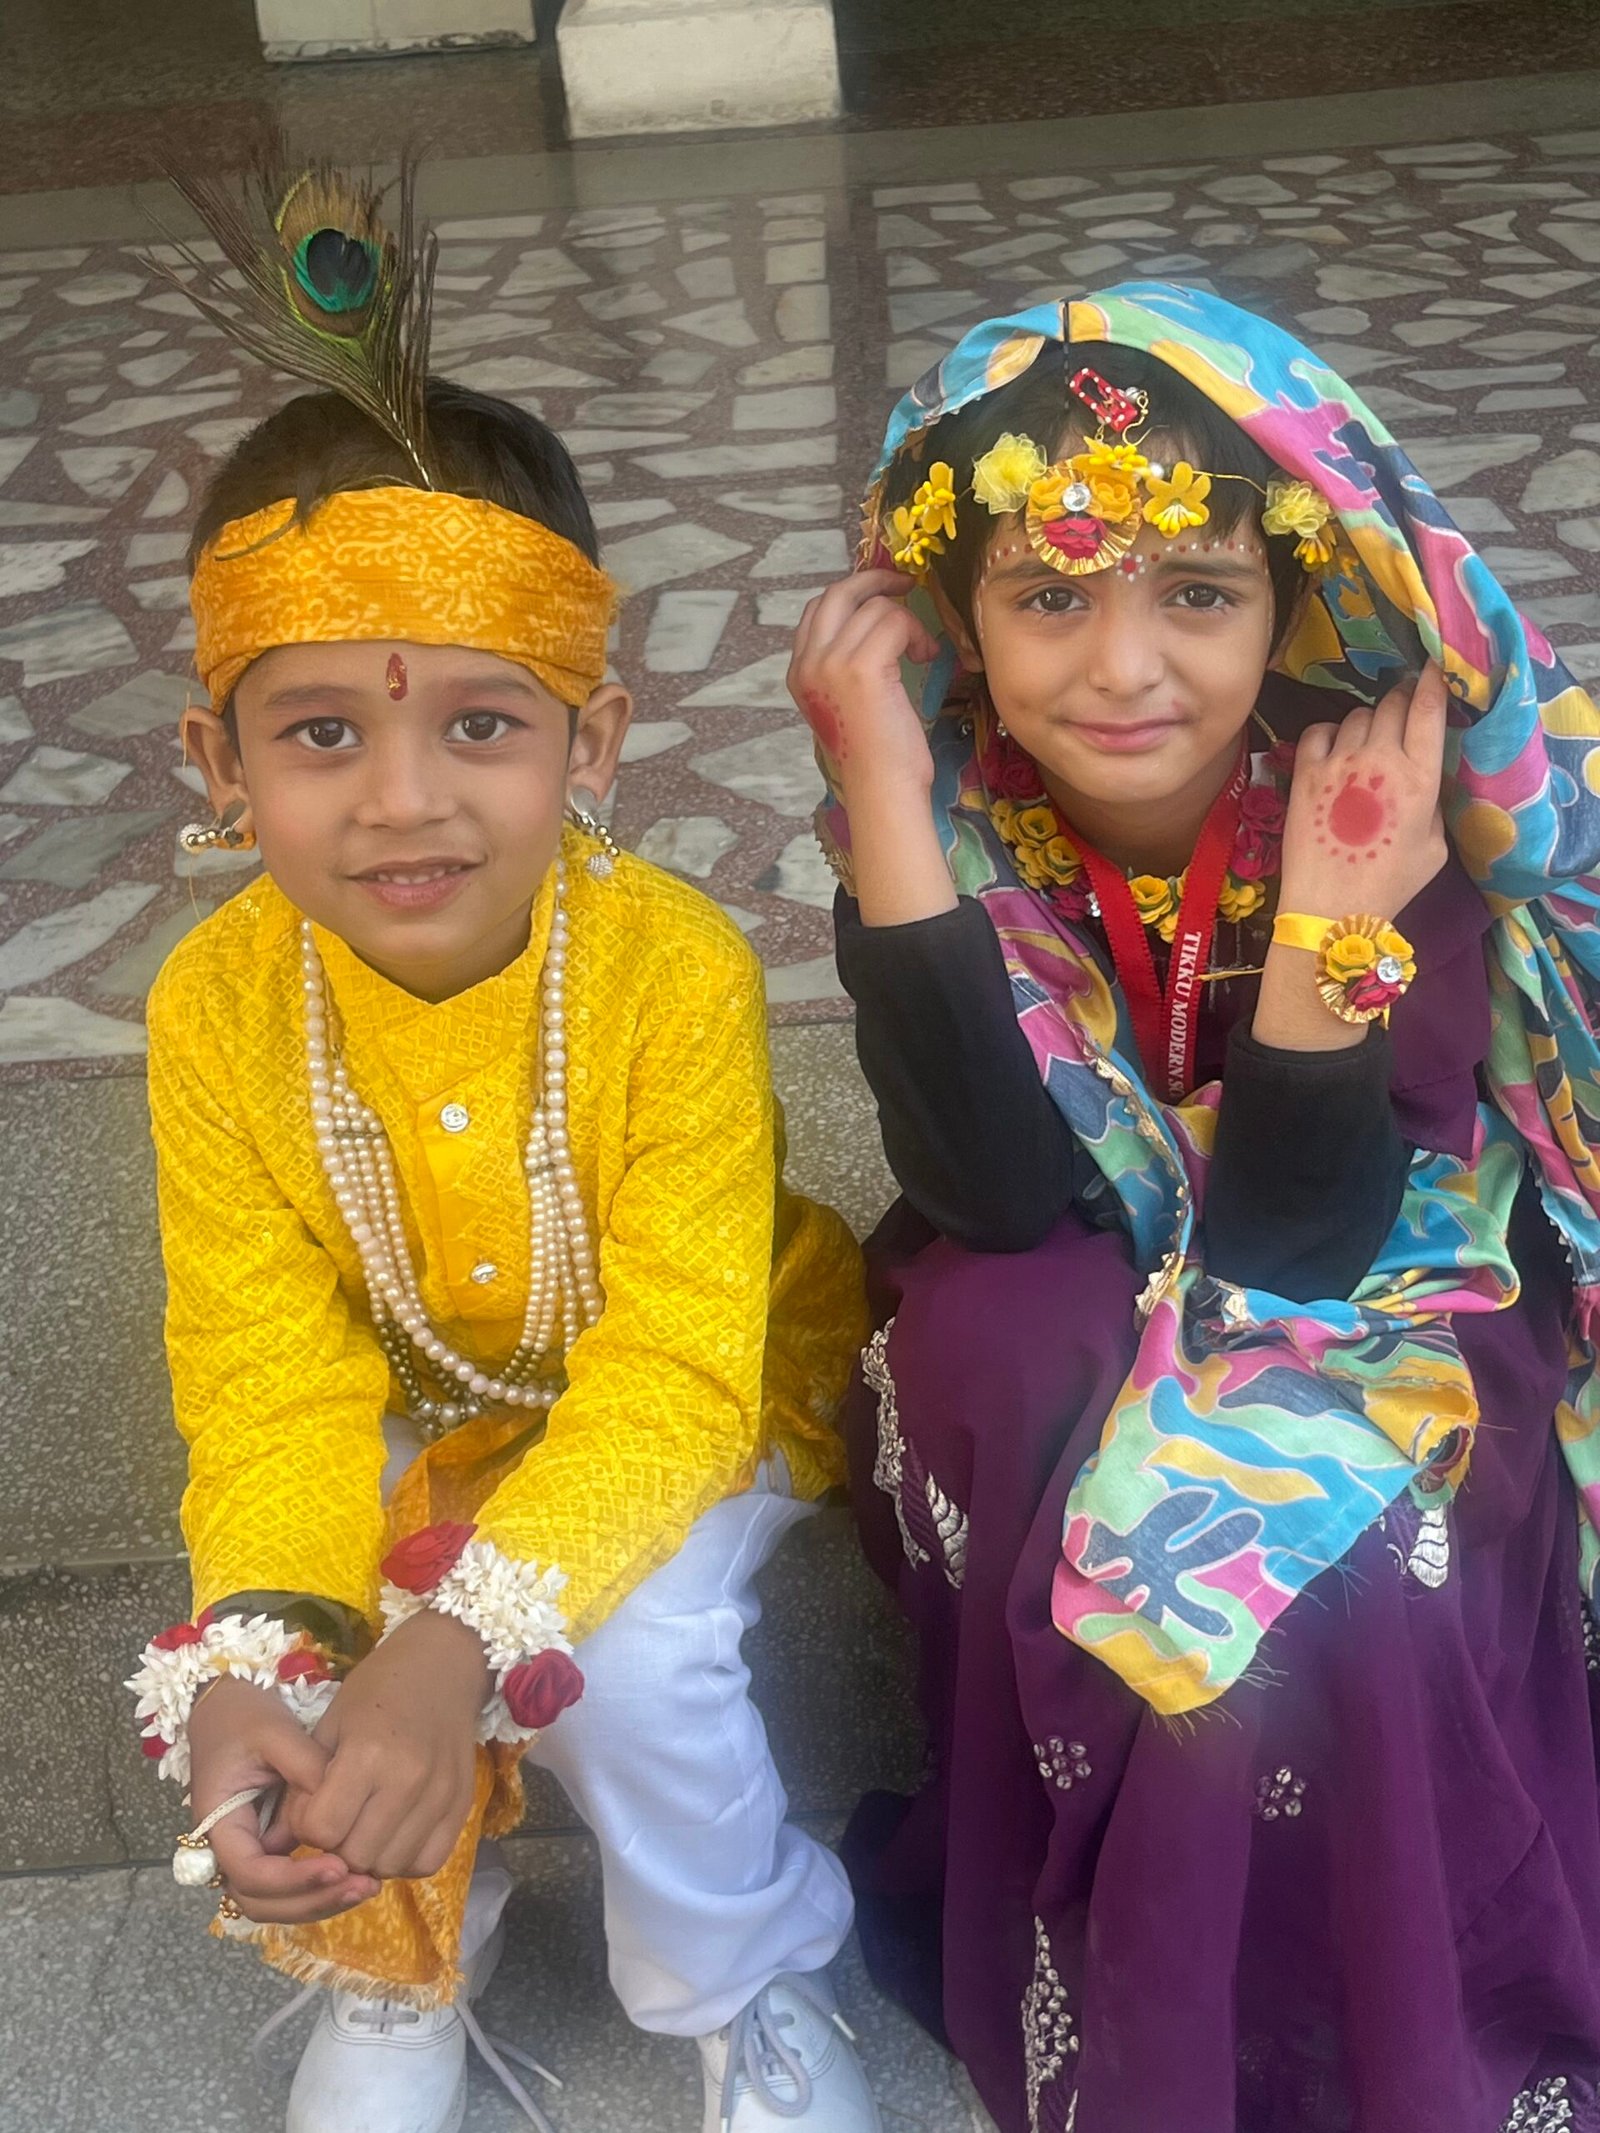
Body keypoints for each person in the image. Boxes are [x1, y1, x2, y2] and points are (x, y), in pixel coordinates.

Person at [787, 283, 1600, 2133]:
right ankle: (1077, 1949)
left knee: (1336, 1554)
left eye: (1199, 594)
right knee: (997, 1338)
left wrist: (1330, 920)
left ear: (1289, 596)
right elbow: (993, 1189)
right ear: (958, 622)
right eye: (1050, 598)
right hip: (1077, 1254)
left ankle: (1360, 2012)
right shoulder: (954, 823)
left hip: (1383, 1262)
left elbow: (1300, 1250)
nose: (1125, 669)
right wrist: (883, 789)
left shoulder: (1377, 794)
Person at [126, 158, 877, 2133]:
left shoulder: (671, 969)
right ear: (218, 763)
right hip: (418, 1389)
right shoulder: (214, 1006)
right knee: (305, 1617)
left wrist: (467, 1629)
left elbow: (674, 1374)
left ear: (592, 741)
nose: (402, 800)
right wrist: (251, 1653)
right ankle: (391, 1958)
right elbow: (270, 1382)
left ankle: (742, 1976)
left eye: (481, 724)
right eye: (319, 732)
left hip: (697, 1392)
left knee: (625, 1645)